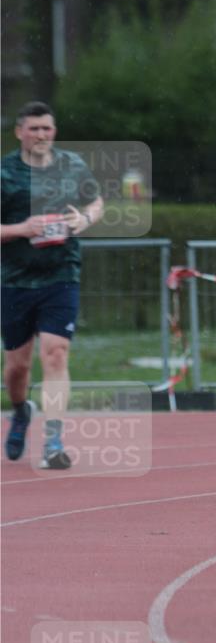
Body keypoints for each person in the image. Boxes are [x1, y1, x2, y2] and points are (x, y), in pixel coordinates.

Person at [1, 101, 104, 469]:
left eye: (46, 128)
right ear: (20, 132)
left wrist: (84, 219)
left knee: (56, 354)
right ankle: (20, 410)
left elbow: (96, 202)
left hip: (61, 275)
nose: (41, 134)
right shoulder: (5, 173)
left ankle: (53, 442)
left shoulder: (72, 165)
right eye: (34, 129)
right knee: (17, 367)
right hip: (14, 281)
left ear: (54, 131)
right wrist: (21, 229)